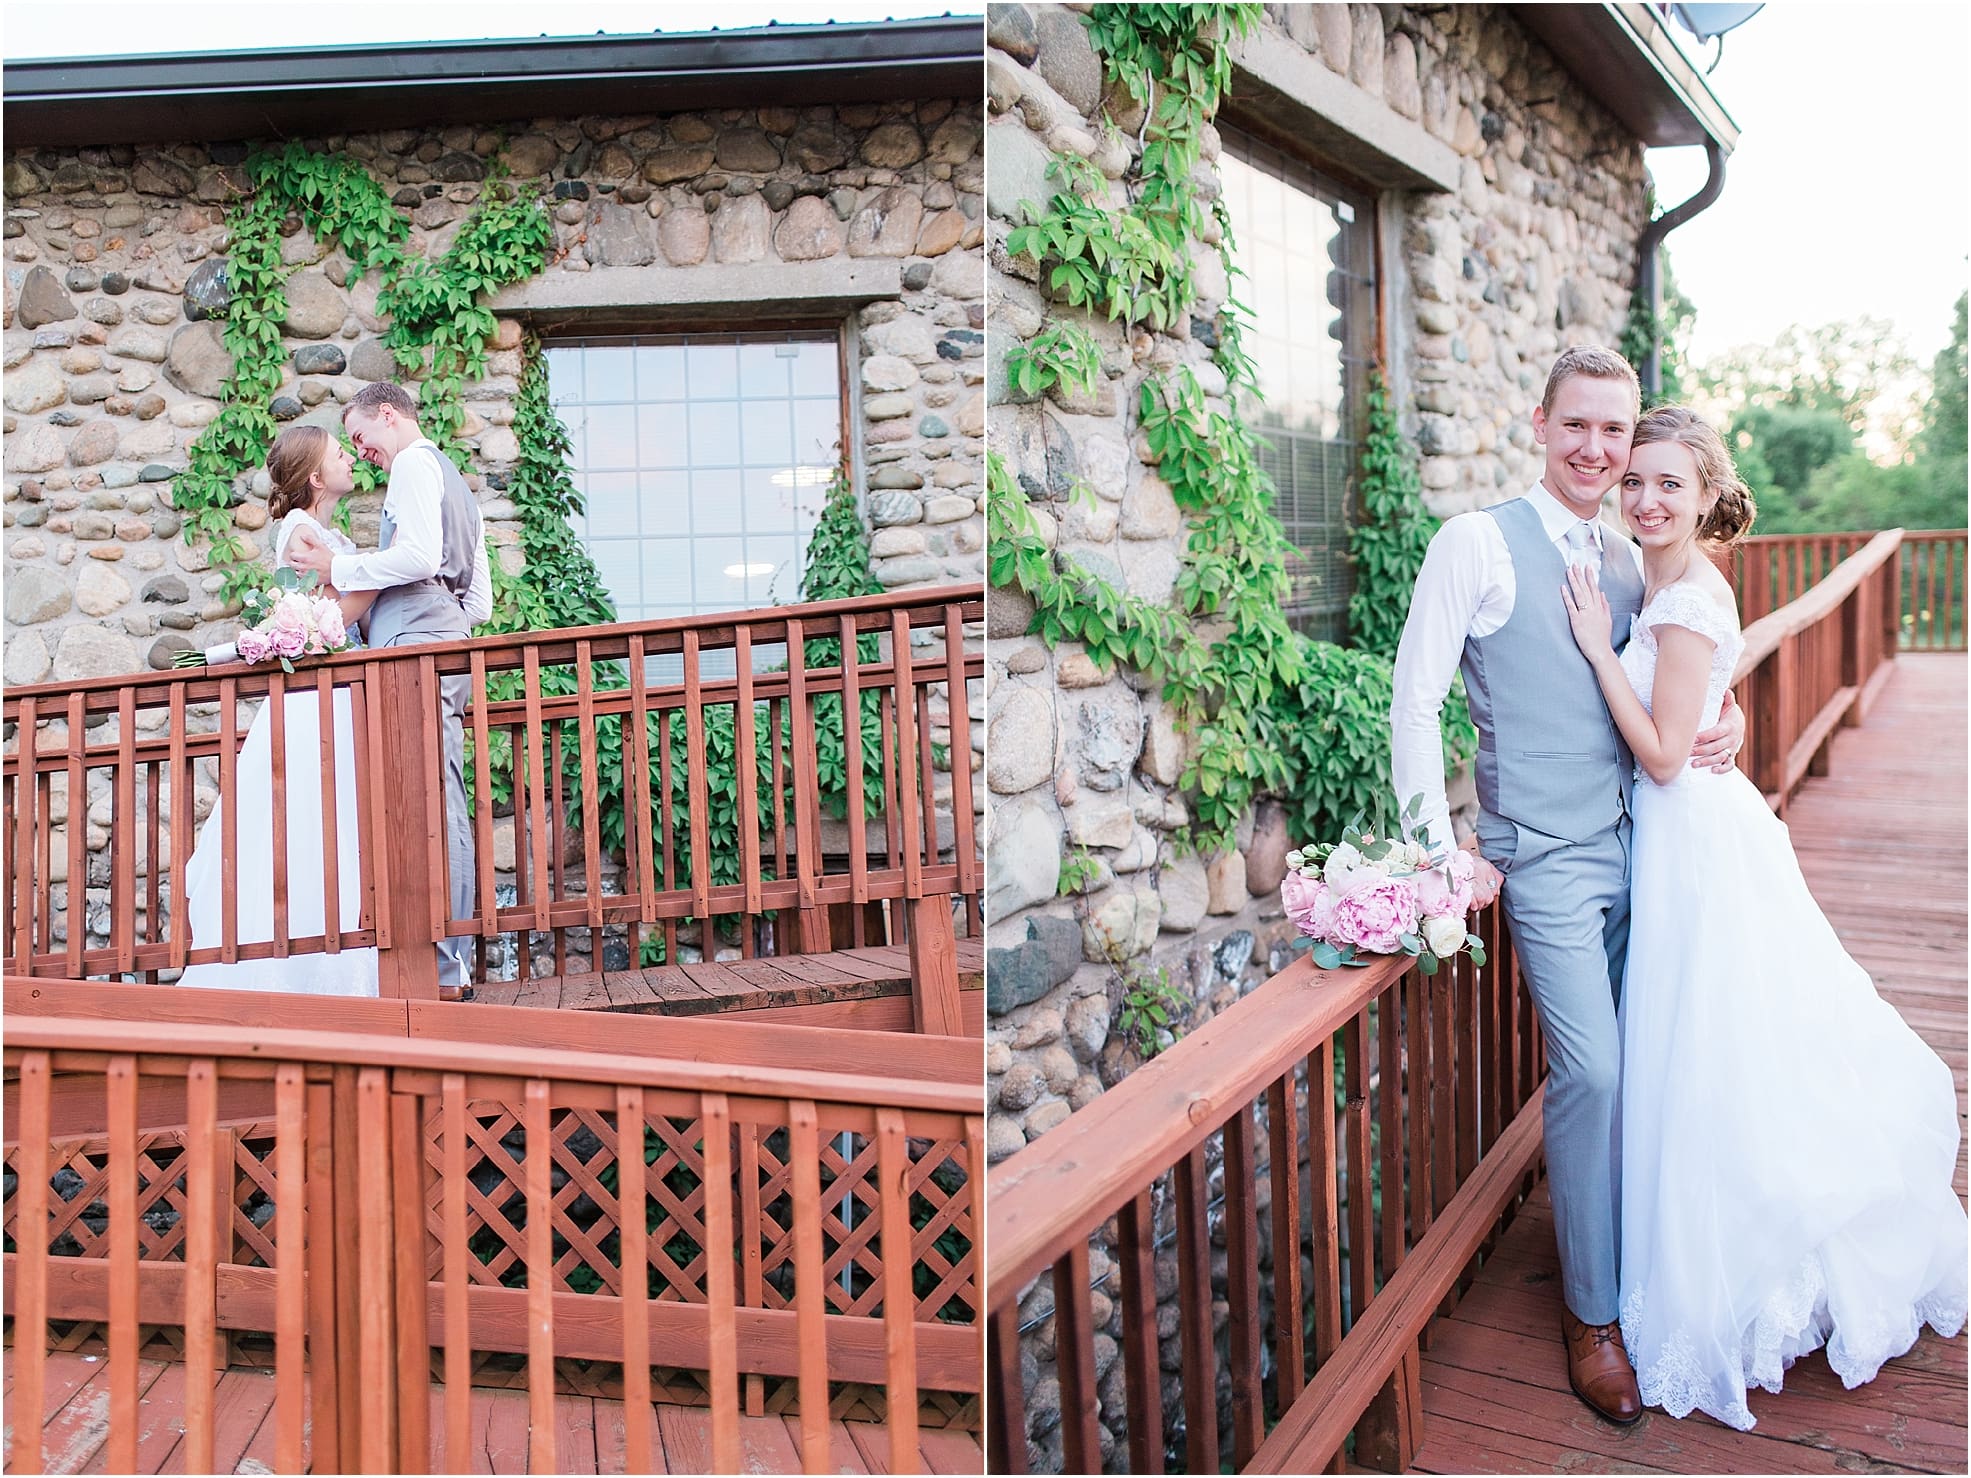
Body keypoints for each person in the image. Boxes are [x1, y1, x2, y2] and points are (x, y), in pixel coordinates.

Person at [1560, 404, 1966, 1430]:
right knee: (1705, 1043)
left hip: (1693, 839)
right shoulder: (1653, 573)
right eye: (1636, 481)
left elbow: (1661, 750)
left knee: (1714, 1043)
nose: (1646, 498)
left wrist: (1598, 654)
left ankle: (1738, 1254)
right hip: (1683, 830)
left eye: (1668, 484)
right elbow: (1696, 707)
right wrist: (1720, 711)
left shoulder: (1685, 598)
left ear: (1704, 496)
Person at [1389, 345, 1746, 1424]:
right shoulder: (1477, 543)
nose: (1599, 451)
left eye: (1616, 432)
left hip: (1653, 850)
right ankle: (1591, 1314)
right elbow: (1413, 703)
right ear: (1539, 422)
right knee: (1592, 1071)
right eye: (1578, 426)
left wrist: (1730, 718)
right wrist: (1431, 856)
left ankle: (1647, 1258)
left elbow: (1681, 676)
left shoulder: (1639, 551)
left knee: (1664, 1057)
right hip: (1541, 859)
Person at [285, 383, 491, 1000]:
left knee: (421, 805)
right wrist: (436, 616)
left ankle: (439, 970)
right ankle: (446, 963)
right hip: (444, 643)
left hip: (414, 654)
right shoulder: (460, 487)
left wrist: (337, 571)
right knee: (439, 798)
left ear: (388, 415)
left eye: (360, 437)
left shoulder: (411, 464)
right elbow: (475, 602)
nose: (362, 451)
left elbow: (420, 555)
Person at [179, 426, 380, 996]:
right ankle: (299, 963)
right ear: (316, 477)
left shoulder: (328, 532)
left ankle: (334, 944)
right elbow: (323, 613)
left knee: (332, 814)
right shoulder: (300, 529)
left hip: (337, 691)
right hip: (316, 693)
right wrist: (384, 579)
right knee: (310, 813)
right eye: (340, 455)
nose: (350, 459)